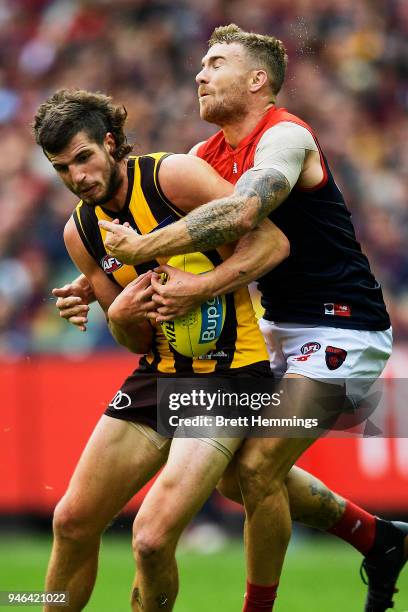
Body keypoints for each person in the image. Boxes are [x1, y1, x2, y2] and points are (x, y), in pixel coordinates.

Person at [96, 25, 406, 612]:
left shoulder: (286, 137)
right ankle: (378, 538)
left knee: (260, 465)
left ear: (258, 80)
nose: (199, 74)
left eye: (216, 63)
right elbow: (164, 245)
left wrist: (147, 250)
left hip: (342, 327)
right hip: (273, 325)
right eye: (201, 64)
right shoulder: (201, 158)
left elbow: (242, 213)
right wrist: (99, 283)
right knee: (230, 477)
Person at [32, 87, 296, 612]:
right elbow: (136, 341)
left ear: (110, 144)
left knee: (150, 540)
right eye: (62, 169)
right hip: (158, 375)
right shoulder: (81, 232)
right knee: (71, 520)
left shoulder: (171, 177)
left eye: (84, 157)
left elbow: (273, 243)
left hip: (230, 376)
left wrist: (199, 288)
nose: (77, 177)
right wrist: (122, 316)